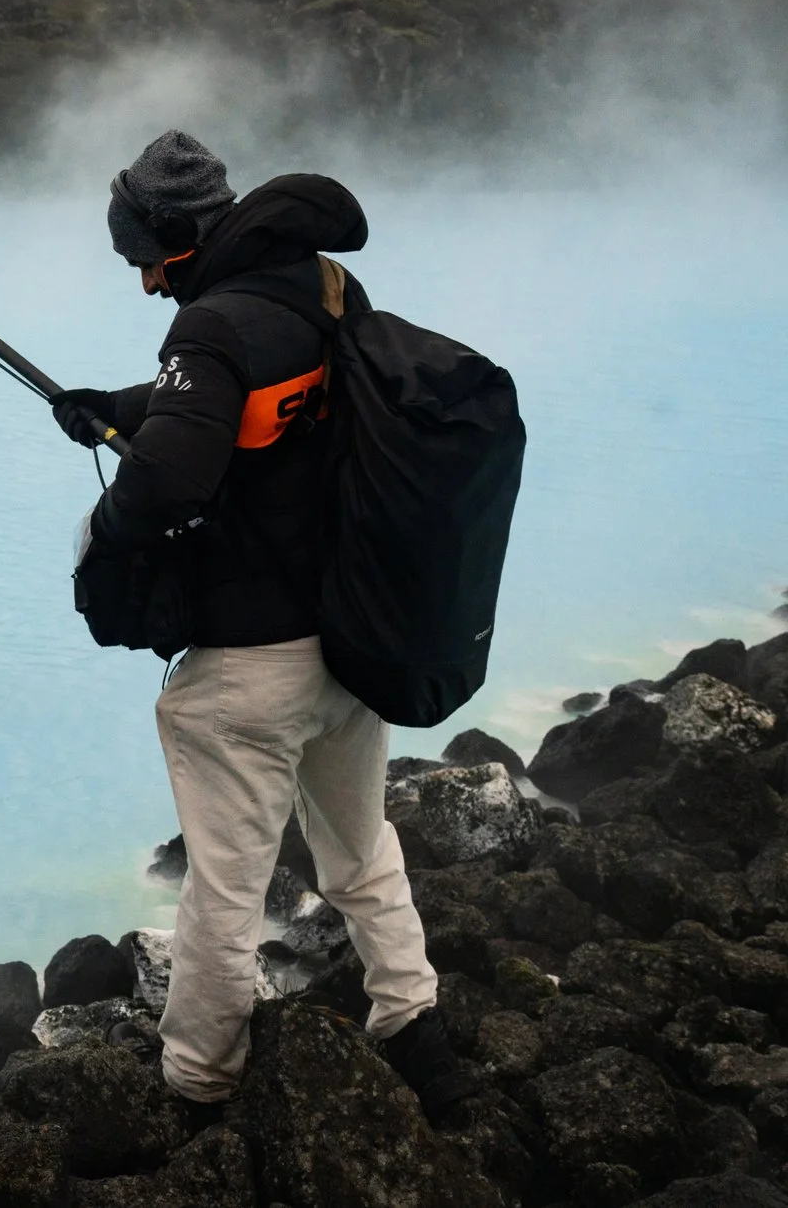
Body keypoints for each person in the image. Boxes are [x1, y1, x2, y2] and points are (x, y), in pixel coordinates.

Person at [48, 131, 472, 1118]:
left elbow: (166, 479)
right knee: (359, 850)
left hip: (247, 673)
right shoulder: (320, 291)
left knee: (224, 892)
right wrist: (117, 405)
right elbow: (264, 404)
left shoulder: (209, 326)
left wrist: (98, 545)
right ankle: (420, 1037)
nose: (148, 285)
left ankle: (197, 1085)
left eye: (146, 262)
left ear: (178, 239)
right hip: (349, 642)